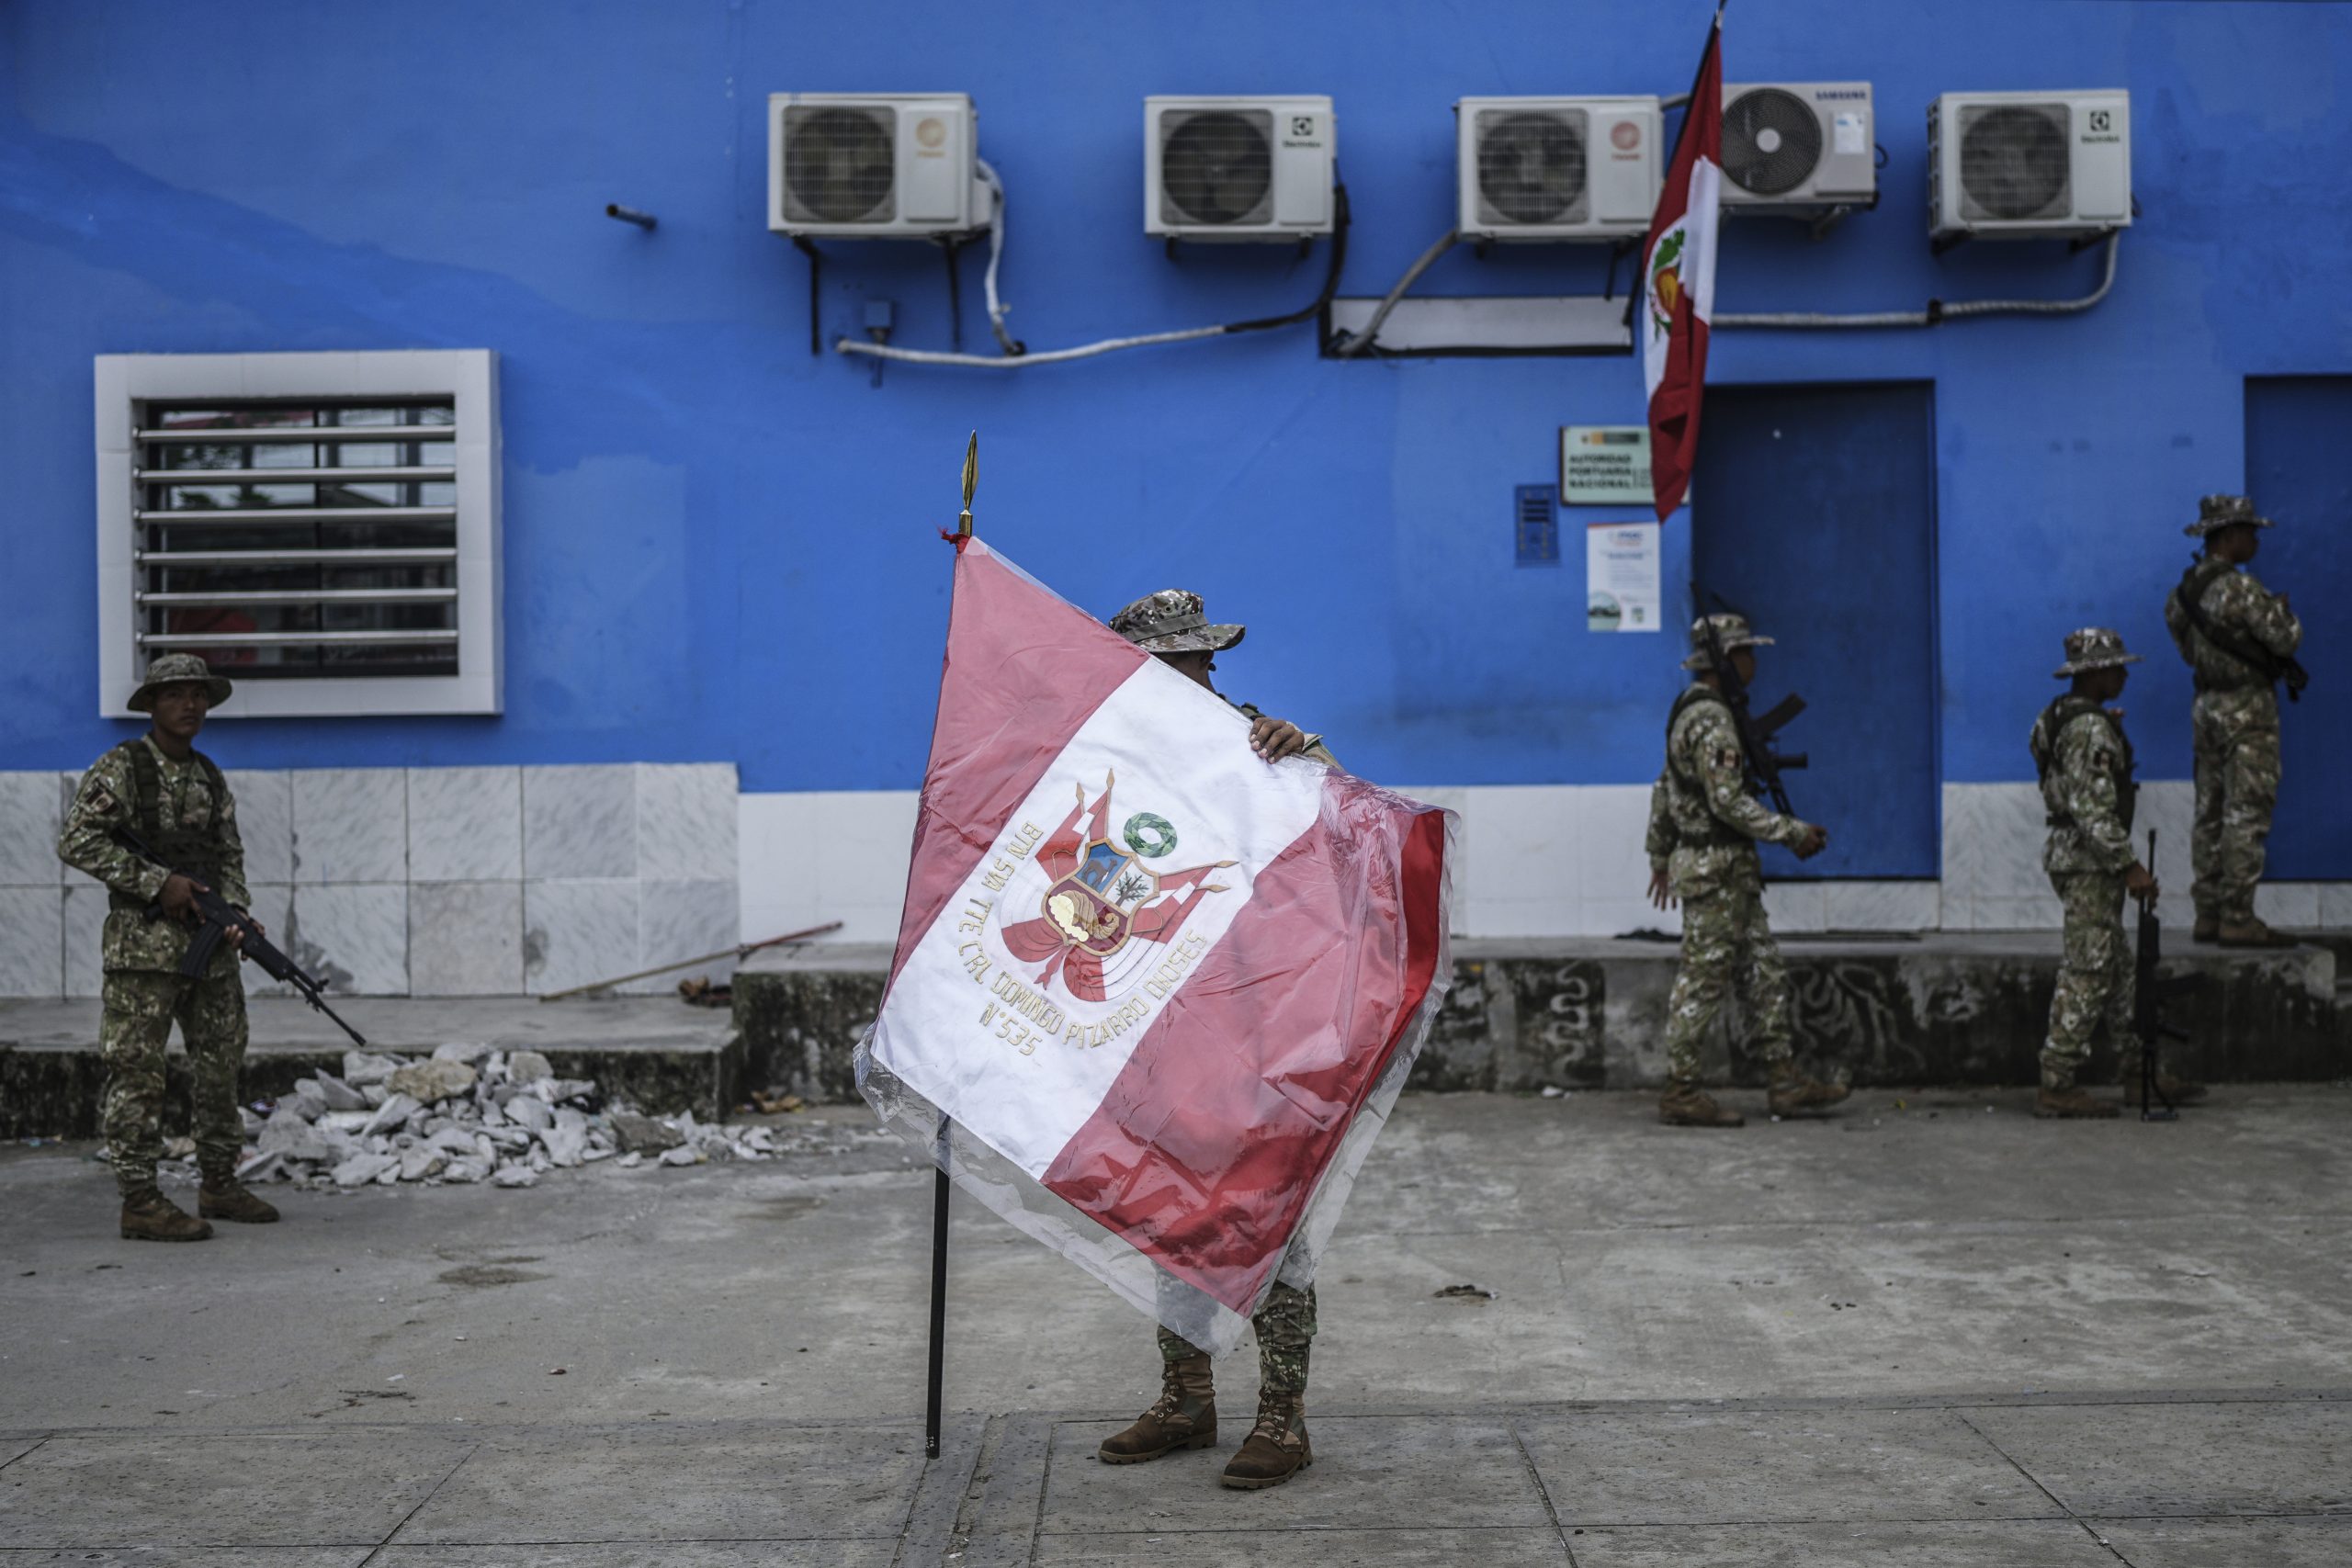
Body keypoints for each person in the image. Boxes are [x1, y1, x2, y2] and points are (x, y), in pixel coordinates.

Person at [1093, 588, 1328, 1491]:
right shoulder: (1110, 774)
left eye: (1203, 658)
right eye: (1182, 661)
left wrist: (1306, 749)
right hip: (1164, 1031)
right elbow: (1100, 894)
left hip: (1266, 1028)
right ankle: (1186, 1396)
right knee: (1169, 1214)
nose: (1204, 673)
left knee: (1277, 1216)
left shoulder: (1255, 742)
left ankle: (1283, 1412)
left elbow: (1343, 820)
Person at [56, 653, 277, 1241]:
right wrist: (158, 882)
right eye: (176, 694)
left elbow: (228, 853)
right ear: (151, 705)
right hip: (143, 954)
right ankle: (141, 1201)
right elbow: (75, 841)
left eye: (199, 694)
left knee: (221, 1065)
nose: (191, 705)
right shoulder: (122, 768)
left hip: (211, 951)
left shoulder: (209, 775)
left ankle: (219, 1183)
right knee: (137, 1074)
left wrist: (235, 914)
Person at [1645, 614, 1847, 1128]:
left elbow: (1664, 789)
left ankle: (1784, 1080)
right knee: (1703, 980)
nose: (1754, 662)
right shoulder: (1712, 720)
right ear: (1728, 659)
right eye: (1747, 652)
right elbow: (1727, 802)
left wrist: (1660, 853)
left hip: (1727, 870)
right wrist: (1791, 831)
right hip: (1715, 869)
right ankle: (1682, 1090)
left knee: (1762, 972)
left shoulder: (1690, 711)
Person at [2030, 629, 2205, 1117]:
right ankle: (2057, 1082)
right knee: (2088, 969)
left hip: (2077, 856)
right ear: (2096, 673)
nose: (2125, 675)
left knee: (2121, 970)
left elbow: (2057, 771)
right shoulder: (2090, 729)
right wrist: (2129, 866)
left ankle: (2137, 1072)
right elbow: (2090, 810)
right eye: (2117, 668)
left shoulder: (2058, 716)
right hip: (2091, 861)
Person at [2163, 493, 2304, 948]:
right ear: (2227, 537)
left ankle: (2208, 914)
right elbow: (2286, 640)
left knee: (2209, 811)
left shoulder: (2181, 594)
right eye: (2249, 532)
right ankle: (2238, 917)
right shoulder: (2242, 589)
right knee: (2245, 811)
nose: (2255, 539)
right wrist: (2281, 611)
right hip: (2248, 711)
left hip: (2206, 707)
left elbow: (2187, 650)